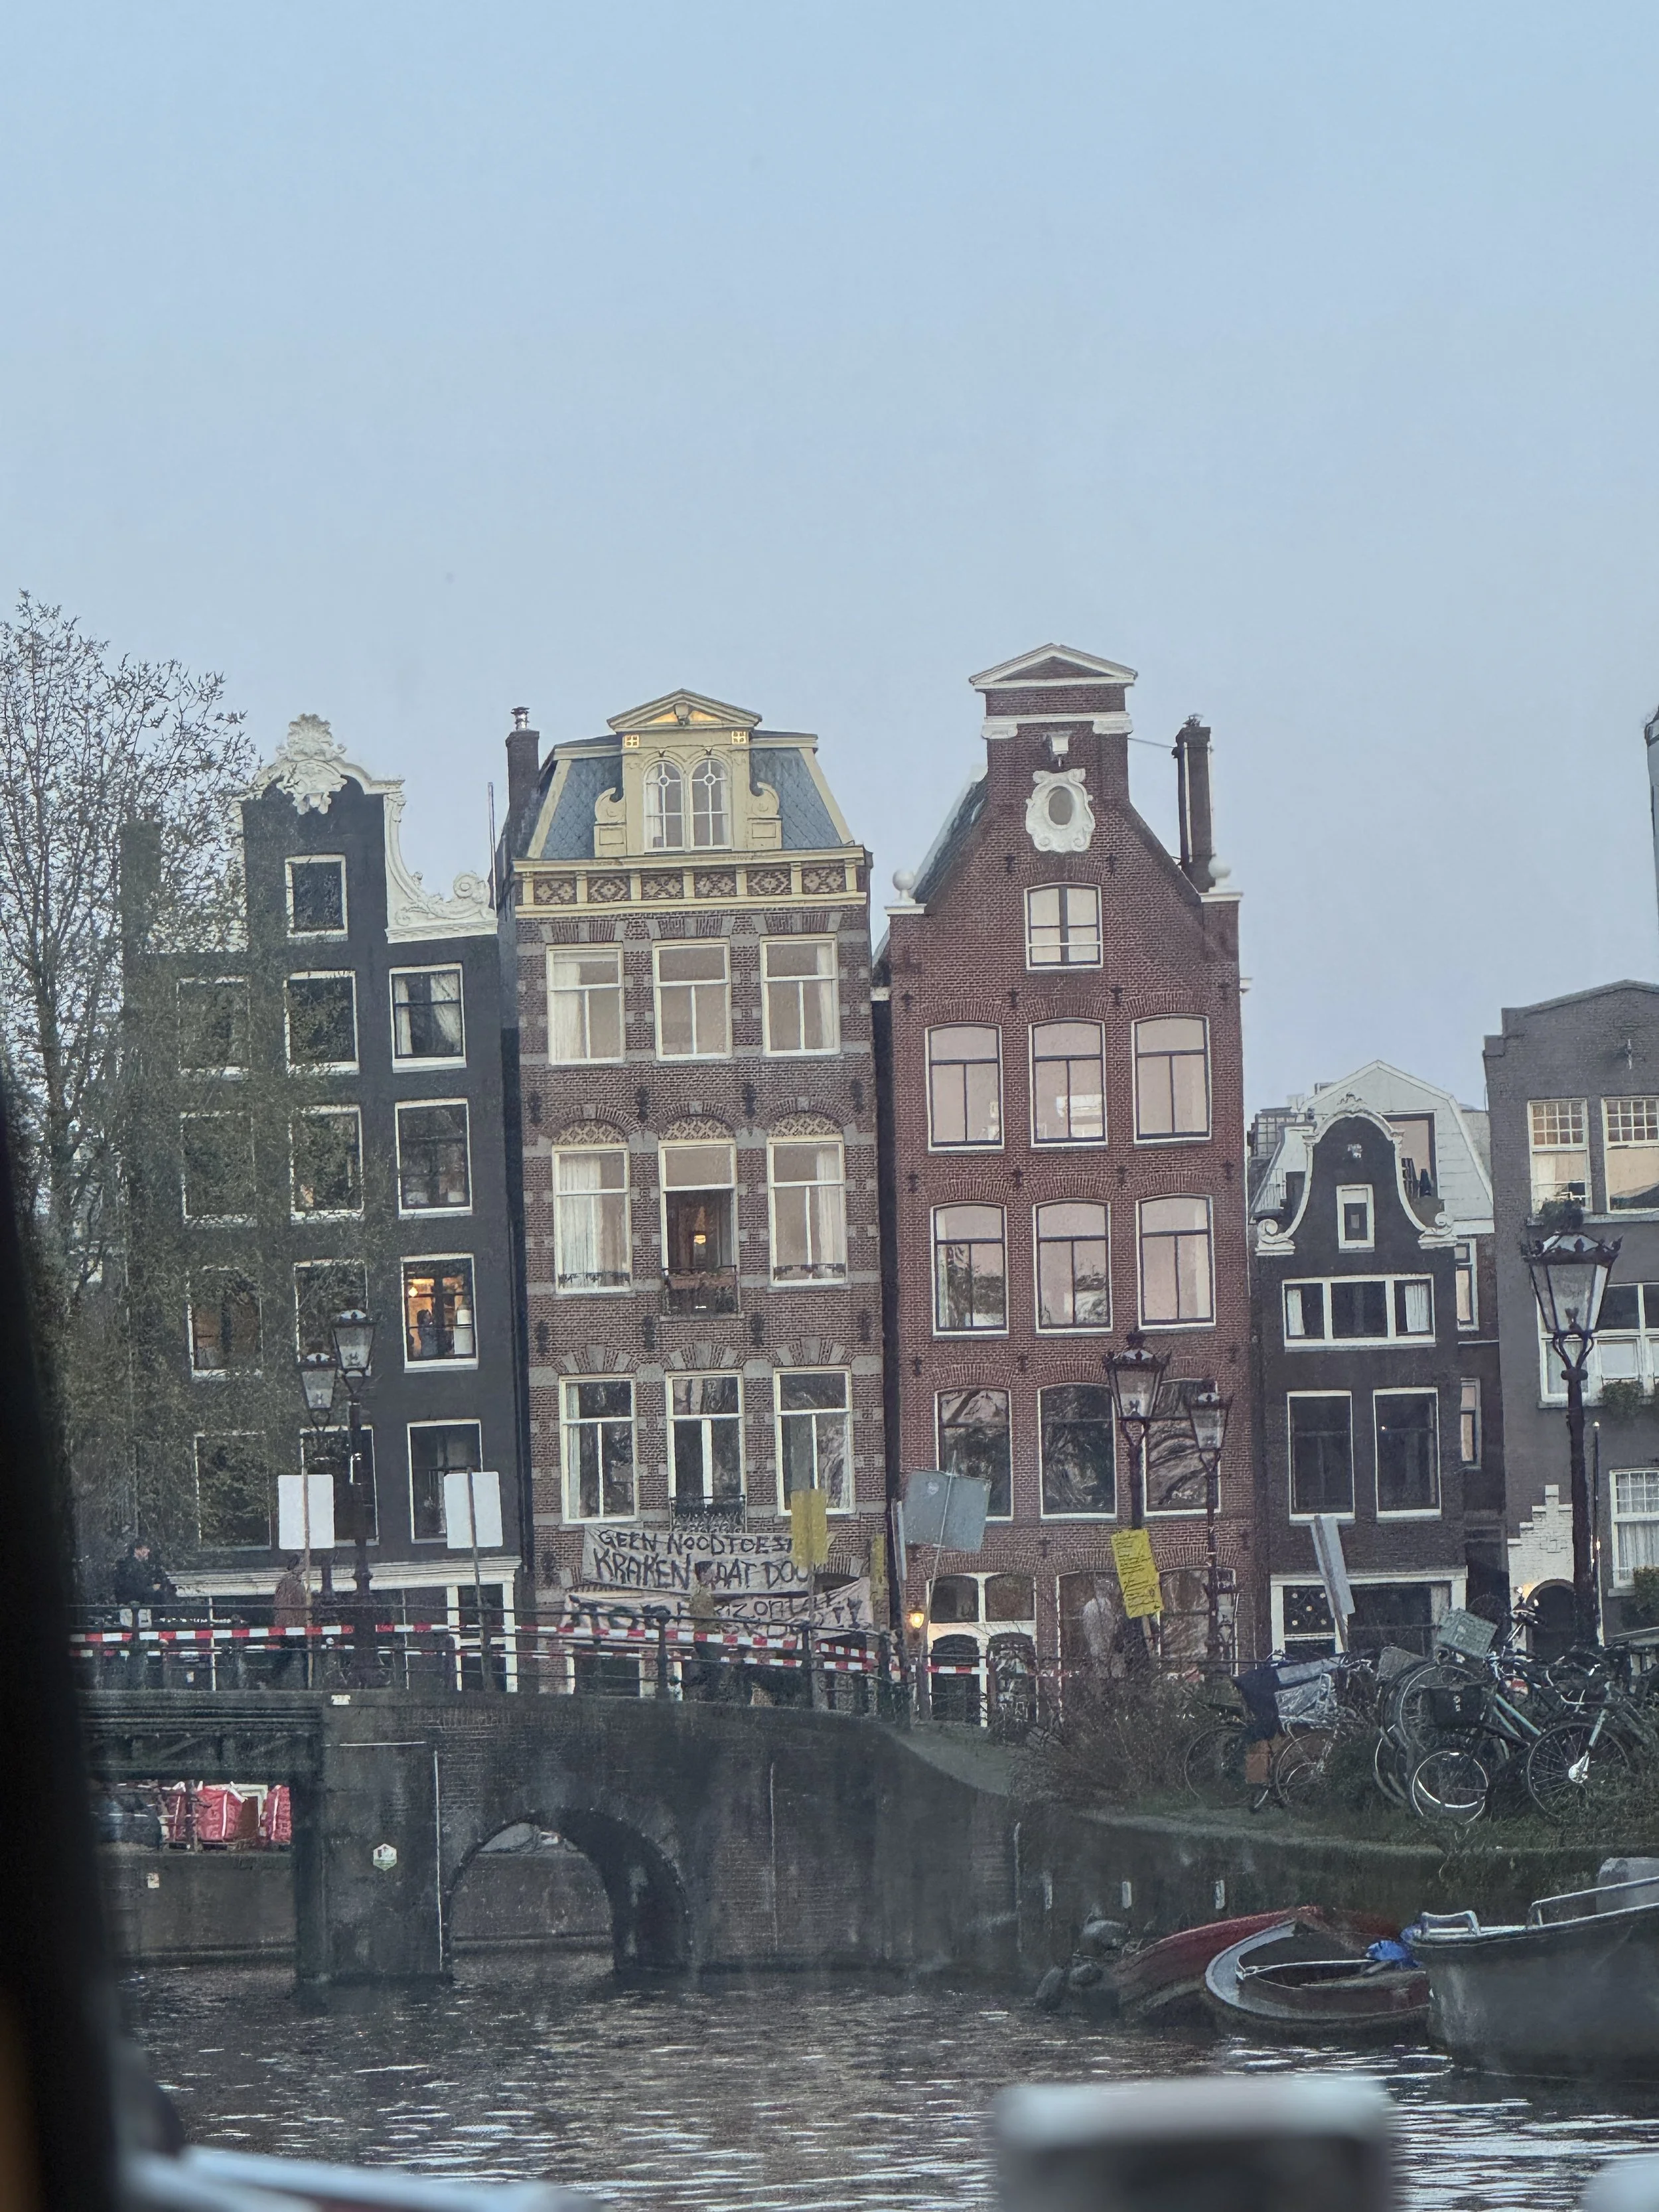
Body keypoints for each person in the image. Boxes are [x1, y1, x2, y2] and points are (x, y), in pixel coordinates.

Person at [112, 1540, 175, 1685]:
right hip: (137, 1610)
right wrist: (152, 1590)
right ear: (138, 1550)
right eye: (146, 1549)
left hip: (136, 1609)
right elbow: (135, 1589)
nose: (148, 1553)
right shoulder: (133, 1568)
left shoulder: (128, 1567)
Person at [270, 1556, 309, 1686]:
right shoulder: (289, 1583)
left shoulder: (296, 1582)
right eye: (302, 1563)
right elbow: (283, 1605)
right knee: (291, 1654)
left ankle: (275, 1680)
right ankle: (273, 1680)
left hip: (299, 1626)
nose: (305, 1566)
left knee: (293, 1654)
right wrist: (289, 1628)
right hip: (294, 1627)